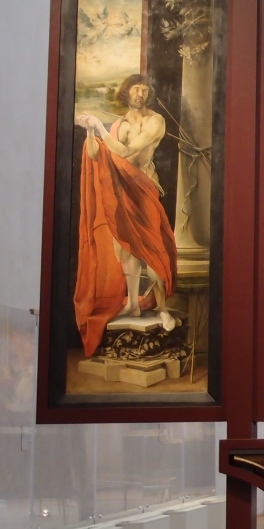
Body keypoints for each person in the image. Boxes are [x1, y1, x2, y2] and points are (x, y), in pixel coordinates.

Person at [72, 74, 178, 356]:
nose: (140, 94)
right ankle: (132, 303)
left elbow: (129, 150)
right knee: (125, 247)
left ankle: (162, 308)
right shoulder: (118, 124)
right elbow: (97, 155)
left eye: (144, 90)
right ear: (127, 92)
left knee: (152, 247)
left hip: (144, 186)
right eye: (136, 89)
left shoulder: (155, 121)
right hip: (122, 189)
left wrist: (100, 128)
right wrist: (91, 131)